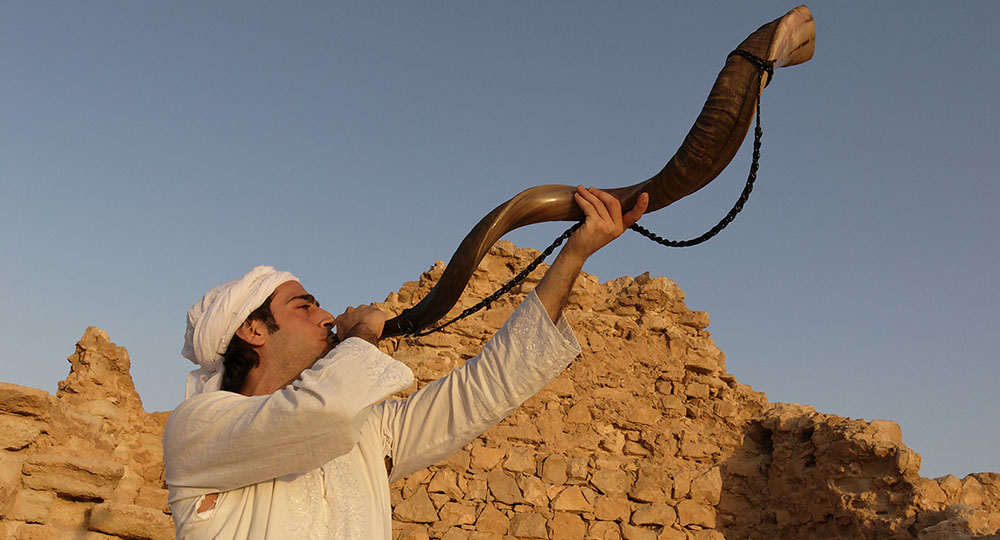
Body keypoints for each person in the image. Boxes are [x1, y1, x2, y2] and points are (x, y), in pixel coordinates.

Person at [163, 186, 649, 539]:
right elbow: (320, 412)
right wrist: (365, 335)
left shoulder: (366, 434)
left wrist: (574, 255)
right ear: (252, 331)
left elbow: (487, 386)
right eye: (304, 306)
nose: (328, 315)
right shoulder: (200, 428)